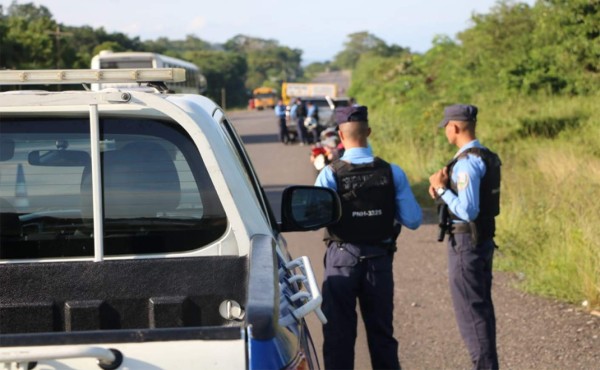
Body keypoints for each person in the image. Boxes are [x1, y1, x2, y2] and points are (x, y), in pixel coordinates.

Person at [315, 105, 422, 370]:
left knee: (338, 335)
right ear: (369, 132)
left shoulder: (330, 173)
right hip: (379, 261)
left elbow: (314, 218)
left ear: (340, 135)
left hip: (341, 259)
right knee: (382, 335)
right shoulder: (392, 172)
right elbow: (414, 219)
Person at [428, 104, 502, 370]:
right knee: (481, 309)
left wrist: (441, 189)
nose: (445, 132)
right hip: (482, 241)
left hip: (466, 245)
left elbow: (468, 211)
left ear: (455, 127)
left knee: (471, 313)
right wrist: (444, 190)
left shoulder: (466, 164)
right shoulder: (486, 156)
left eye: (446, 127)